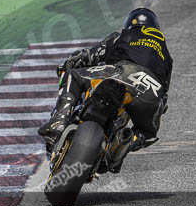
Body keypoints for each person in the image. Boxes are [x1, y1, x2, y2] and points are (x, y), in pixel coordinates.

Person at [38, 8, 173, 154]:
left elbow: (88, 56)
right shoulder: (166, 55)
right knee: (148, 134)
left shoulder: (121, 37)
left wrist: (68, 64)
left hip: (122, 73)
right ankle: (125, 142)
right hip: (151, 92)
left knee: (73, 76)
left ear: (129, 25)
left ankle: (59, 120)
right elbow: (164, 96)